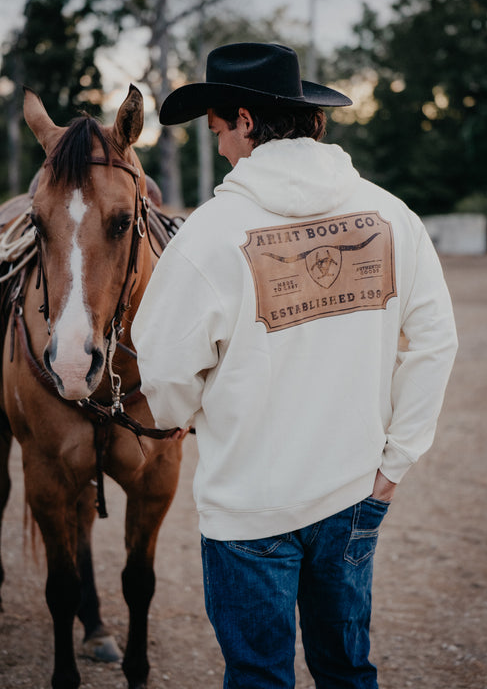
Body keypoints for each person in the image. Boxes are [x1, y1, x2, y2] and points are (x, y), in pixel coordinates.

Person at [131, 42, 458, 688]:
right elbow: (434, 342)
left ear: (246, 122)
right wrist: (395, 462)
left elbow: (164, 371)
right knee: (345, 668)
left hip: (249, 506)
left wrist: (184, 415)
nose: (220, 145)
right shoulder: (392, 216)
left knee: (257, 674)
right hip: (352, 493)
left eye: (219, 129)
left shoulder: (211, 233)